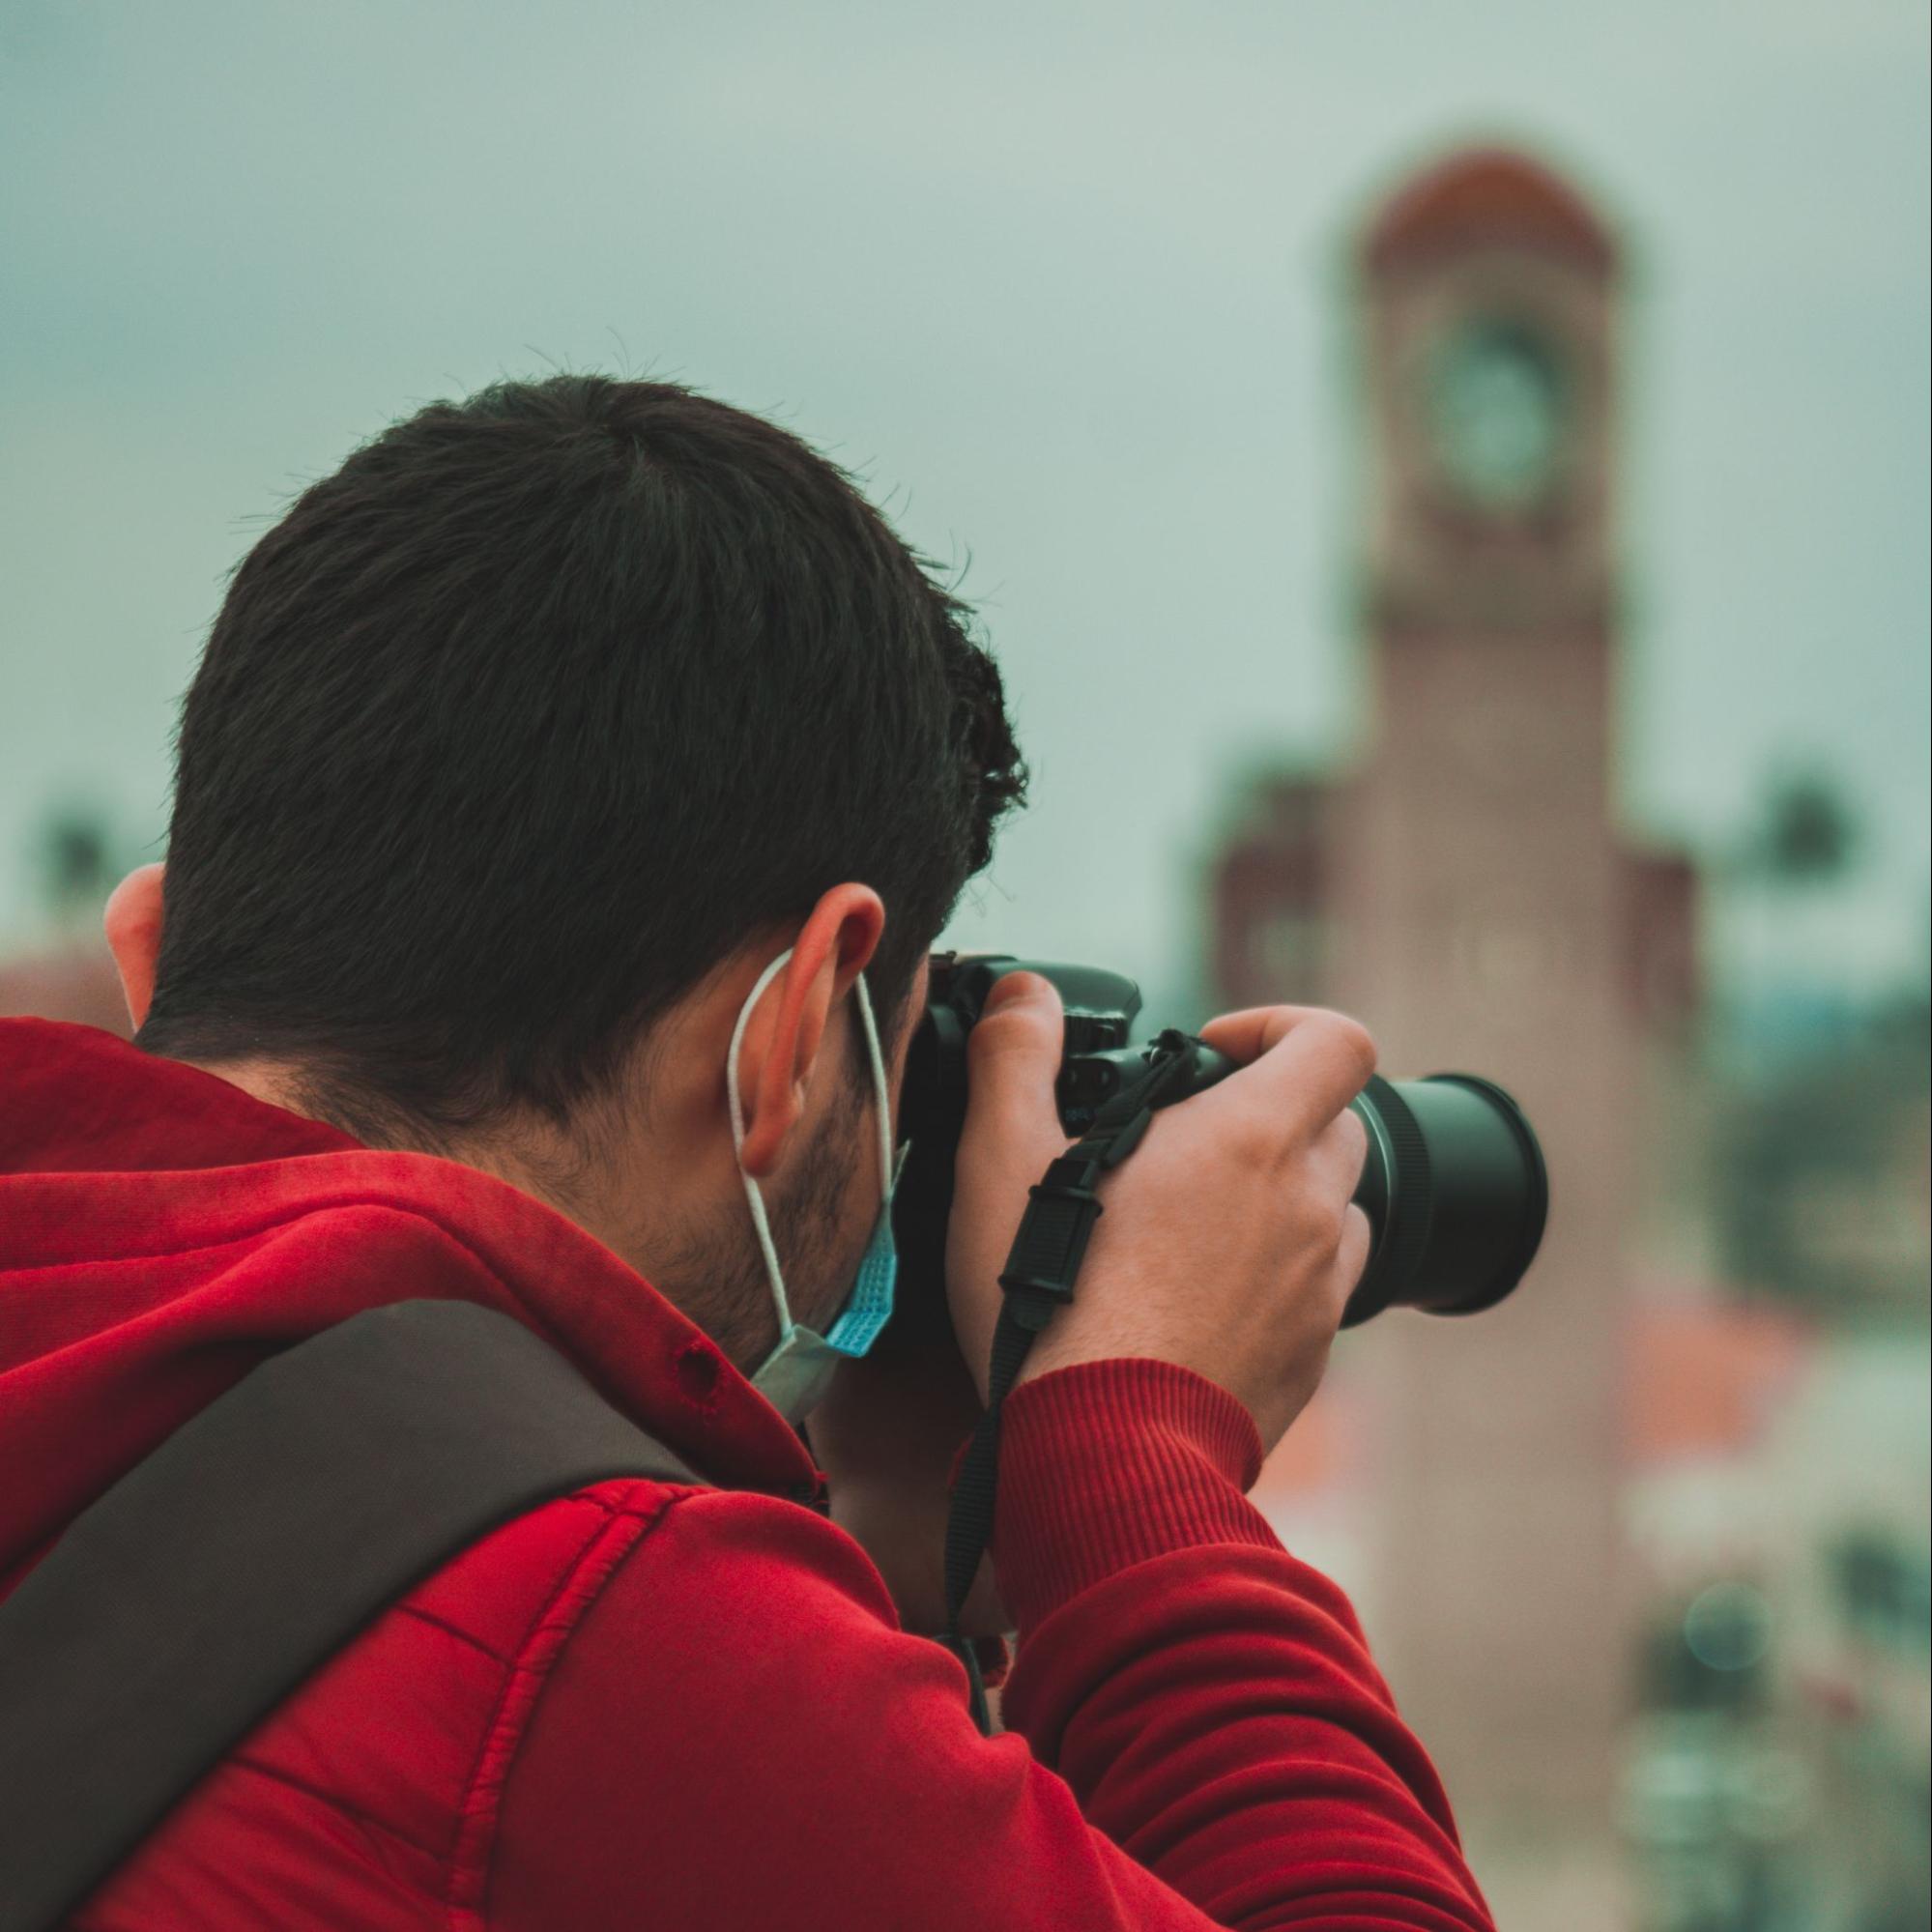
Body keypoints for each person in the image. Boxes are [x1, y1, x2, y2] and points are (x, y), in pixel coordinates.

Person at [0, 376, 1494, 1930]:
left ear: (152, 955)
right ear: (792, 1031)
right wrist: (1135, 1466)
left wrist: (884, 1594)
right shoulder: (600, 1641)